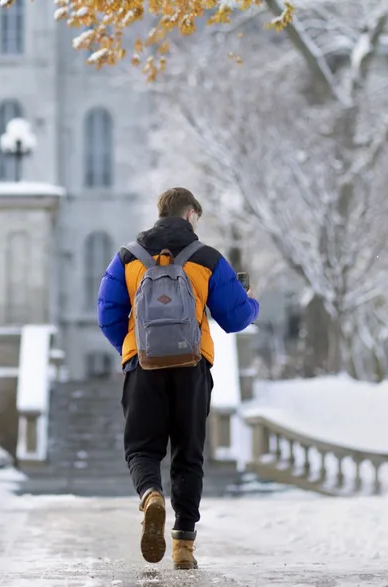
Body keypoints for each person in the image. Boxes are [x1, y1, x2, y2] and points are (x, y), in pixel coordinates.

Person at [97, 187, 259, 570]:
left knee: (141, 448)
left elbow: (107, 315)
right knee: (188, 455)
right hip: (192, 367)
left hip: (144, 366)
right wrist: (250, 301)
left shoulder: (126, 259)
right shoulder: (206, 258)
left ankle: (151, 494)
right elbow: (235, 318)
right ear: (190, 216)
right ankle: (184, 545)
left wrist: (135, 348)